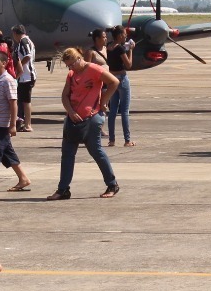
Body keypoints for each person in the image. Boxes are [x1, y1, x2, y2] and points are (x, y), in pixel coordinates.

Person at [46, 47, 120, 201]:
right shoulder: (72, 74)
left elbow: (114, 82)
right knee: (67, 154)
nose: (70, 68)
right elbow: (65, 96)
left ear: (79, 59)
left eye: (72, 64)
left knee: (96, 151)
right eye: (68, 66)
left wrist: (103, 101)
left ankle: (112, 184)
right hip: (73, 119)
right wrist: (71, 112)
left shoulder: (93, 69)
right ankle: (63, 190)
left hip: (92, 118)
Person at [0, 51, 31, 192]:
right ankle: (23, 178)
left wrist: (12, 125)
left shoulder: (8, 80)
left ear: (4, 63)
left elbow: (13, 103)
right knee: (7, 153)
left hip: (2, 123)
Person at [106, 25, 135, 147]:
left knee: (112, 110)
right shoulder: (120, 49)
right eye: (124, 34)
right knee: (124, 111)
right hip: (122, 79)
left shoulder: (109, 47)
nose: (126, 36)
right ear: (119, 36)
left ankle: (111, 140)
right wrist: (131, 50)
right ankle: (127, 140)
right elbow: (128, 65)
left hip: (112, 79)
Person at [12, 25, 36, 132]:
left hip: (25, 76)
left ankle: (28, 124)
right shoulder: (28, 41)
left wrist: (19, 66)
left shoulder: (23, 42)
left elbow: (28, 55)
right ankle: (23, 122)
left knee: (26, 102)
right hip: (26, 76)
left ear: (16, 33)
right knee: (23, 101)